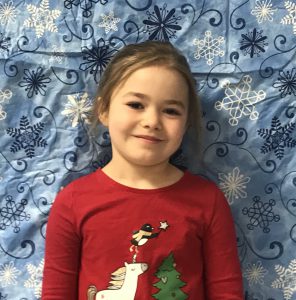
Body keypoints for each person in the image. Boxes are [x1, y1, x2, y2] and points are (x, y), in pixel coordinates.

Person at [41, 41, 243, 300]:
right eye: (136, 105)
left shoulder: (208, 201)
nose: (151, 122)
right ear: (103, 109)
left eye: (170, 111)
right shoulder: (72, 202)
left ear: (186, 122)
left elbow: (227, 293)